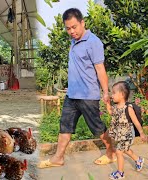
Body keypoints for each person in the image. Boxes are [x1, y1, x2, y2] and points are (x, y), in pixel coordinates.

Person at [39, 8, 115, 168]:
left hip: (88, 96)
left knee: (98, 129)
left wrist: (106, 93)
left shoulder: (94, 42)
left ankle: (111, 152)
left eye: (74, 27)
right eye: (68, 28)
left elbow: (100, 69)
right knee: (64, 126)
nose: (71, 31)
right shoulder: (73, 41)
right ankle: (58, 158)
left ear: (82, 23)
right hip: (72, 95)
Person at [107, 81, 146, 179]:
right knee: (126, 150)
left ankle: (120, 173)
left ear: (122, 94)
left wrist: (141, 133)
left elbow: (136, 122)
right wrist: (107, 104)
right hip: (121, 134)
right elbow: (112, 113)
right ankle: (138, 160)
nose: (112, 95)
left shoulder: (128, 108)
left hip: (127, 135)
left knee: (119, 152)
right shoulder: (116, 107)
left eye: (114, 93)